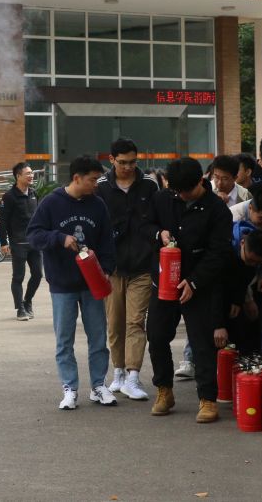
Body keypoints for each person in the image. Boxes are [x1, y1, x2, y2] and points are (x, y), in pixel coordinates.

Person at [27, 155, 118, 410]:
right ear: (77, 178)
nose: (96, 184)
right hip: (62, 284)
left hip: (92, 283)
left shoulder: (98, 205)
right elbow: (33, 235)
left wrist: (106, 269)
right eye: (92, 180)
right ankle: (70, 388)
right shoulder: (51, 202)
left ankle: (99, 386)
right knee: (64, 340)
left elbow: (107, 241)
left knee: (98, 338)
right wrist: (59, 238)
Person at [147, 157, 233, 423]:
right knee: (157, 336)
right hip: (164, 281)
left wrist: (194, 281)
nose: (181, 196)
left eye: (186, 191)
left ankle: (207, 399)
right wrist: (159, 233)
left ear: (201, 181)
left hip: (199, 285)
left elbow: (219, 253)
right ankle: (164, 390)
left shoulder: (218, 210)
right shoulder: (163, 199)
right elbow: (145, 224)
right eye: (177, 191)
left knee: (202, 343)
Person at [95, 139, 158, 400]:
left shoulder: (149, 185)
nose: (128, 167)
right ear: (111, 160)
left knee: (135, 322)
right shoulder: (101, 188)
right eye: (123, 162)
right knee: (115, 323)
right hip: (112, 268)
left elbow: (157, 219)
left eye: (133, 162)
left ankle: (133, 376)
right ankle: (118, 372)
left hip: (142, 267)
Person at [229, 185, 262, 352]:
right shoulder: (233, 216)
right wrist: (247, 298)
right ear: (251, 208)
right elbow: (238, 268)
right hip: (234, 273)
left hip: (258, 265)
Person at [215, 227, 262, 353]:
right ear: (242, 243)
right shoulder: (223, 255)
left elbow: (244, 281)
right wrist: (218, 325)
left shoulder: (252, 262)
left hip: (234, 299)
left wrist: (238, 300)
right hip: (212, 304)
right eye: (250, 260)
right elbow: (215, 292)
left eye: (257, 263)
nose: (252, 264)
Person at [0, 162, 43, 321]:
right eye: (28, 173)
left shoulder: (34, 193)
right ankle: (20, 309)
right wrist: (3, 242)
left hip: (34, 242)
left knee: (38, 274)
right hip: (18, 243)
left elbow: (39, 217)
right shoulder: (9, 196)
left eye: (32, 173)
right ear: (18, 176)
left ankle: (27, 301)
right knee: (18, 276)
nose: (31, 176)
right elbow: (2, 221)